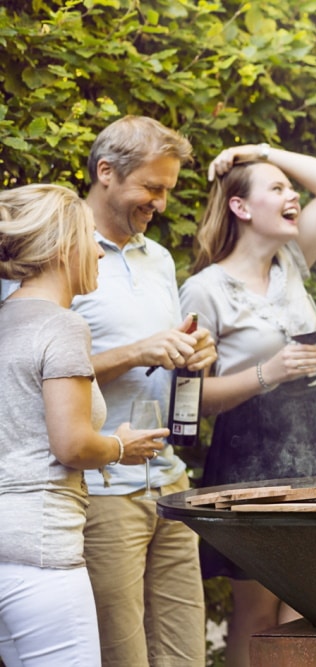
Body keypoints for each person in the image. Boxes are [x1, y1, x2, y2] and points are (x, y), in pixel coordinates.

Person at [179, 143, 316, 667]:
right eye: (276, 188)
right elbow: (188, 401)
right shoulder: (204, 290)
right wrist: (266, 373)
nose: (293, 195)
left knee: (314, 604)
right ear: (240, 207)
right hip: (249, 442)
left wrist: (259, 152)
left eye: (290, 187)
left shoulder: (292, 260)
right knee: (257, 608)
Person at [71, 115, 217, 667]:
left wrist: (196, 351)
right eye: (151, 188)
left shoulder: (156, 258)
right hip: (103, 490)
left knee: (186, 655)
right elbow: (34, 371)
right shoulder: (58, 253)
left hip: (169, 482)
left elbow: (169, 347)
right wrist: (138, 351)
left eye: (167, 190)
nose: (159, 202)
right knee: (121, 657)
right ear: (105, 172)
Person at [0, 184, 167, 666]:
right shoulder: (63, 326)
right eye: (89, 236)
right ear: (61, 246)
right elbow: (71, 444)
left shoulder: (7, 319)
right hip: (44, 552)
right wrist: (119, 447)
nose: (97, 249)